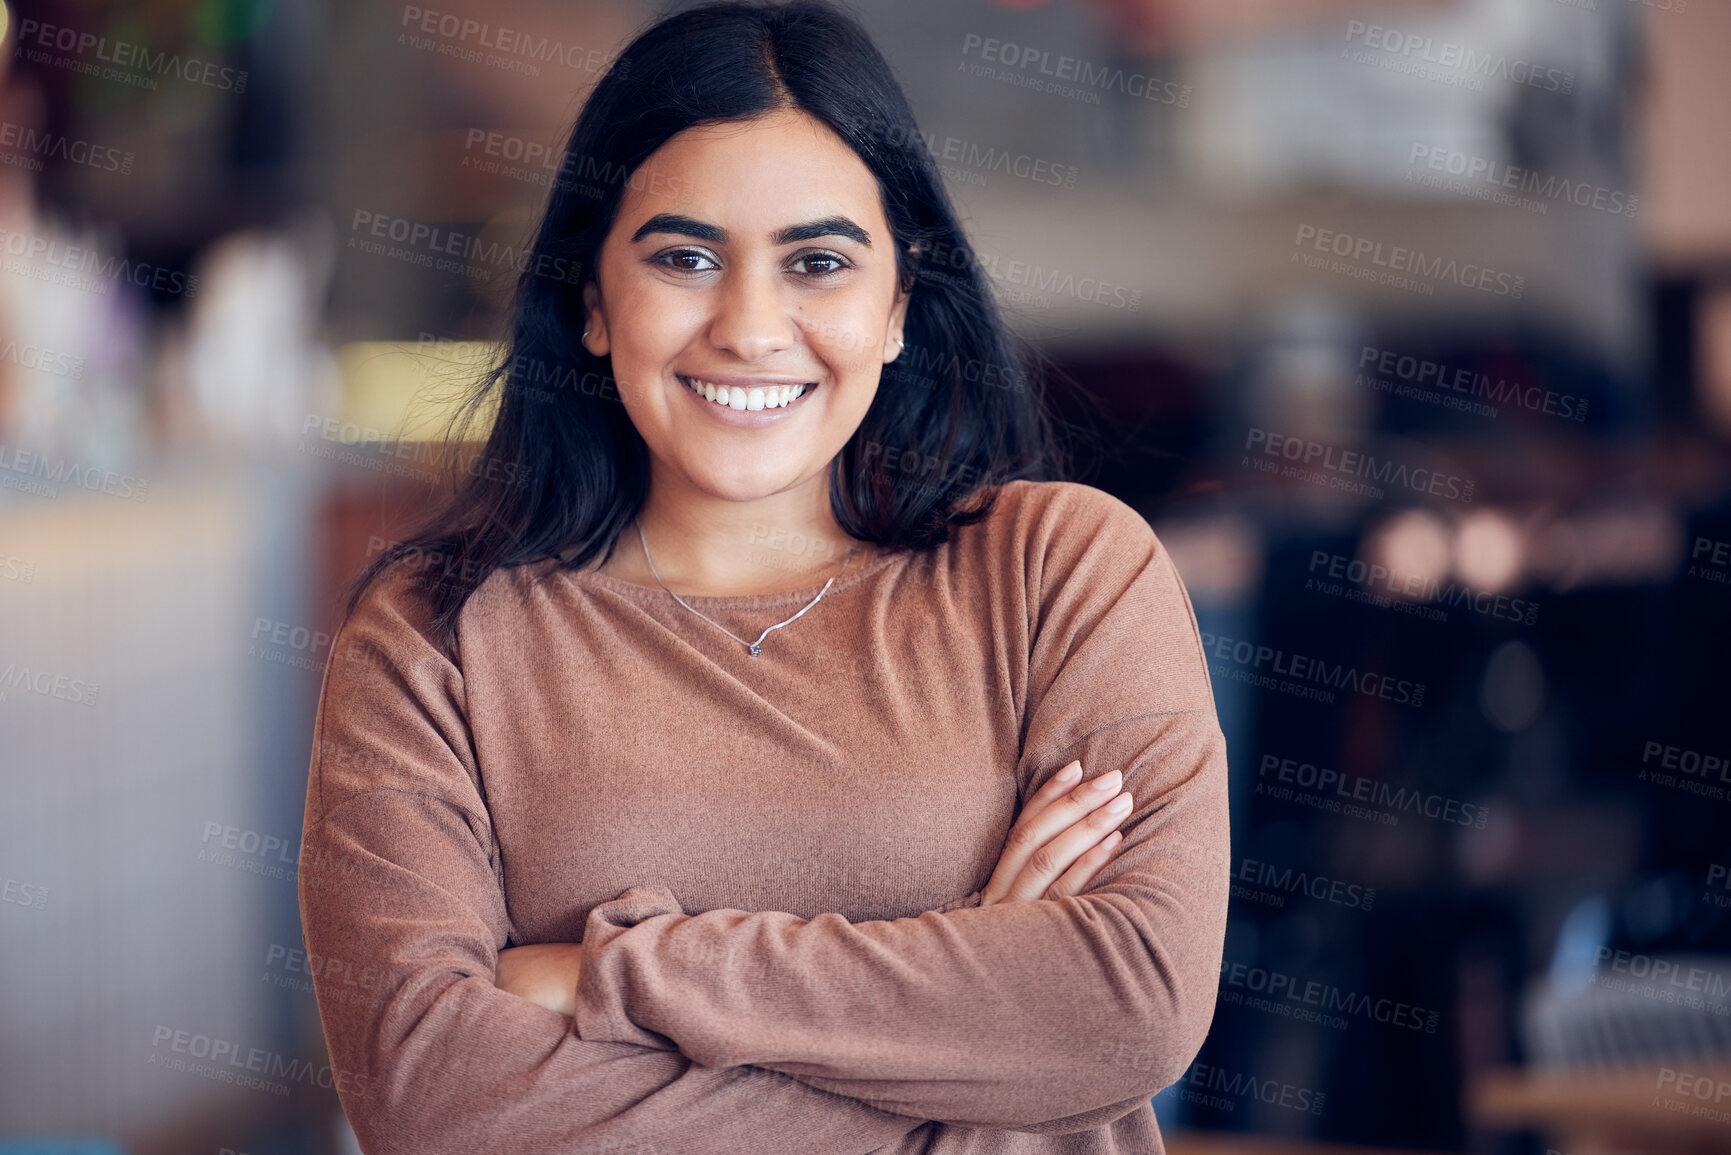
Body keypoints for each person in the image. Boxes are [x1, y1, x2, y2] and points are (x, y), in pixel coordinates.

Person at [297, 2, 1229, 1151]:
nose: (749, 326)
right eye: (685, 257)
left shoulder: (1063, 573)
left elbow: (1129, 1005)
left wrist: (620, 975)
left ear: (897, 304)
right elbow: (428, 1099)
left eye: (819, 262)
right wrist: (971, 1022)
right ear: (593, 299)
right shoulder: (434, 637)